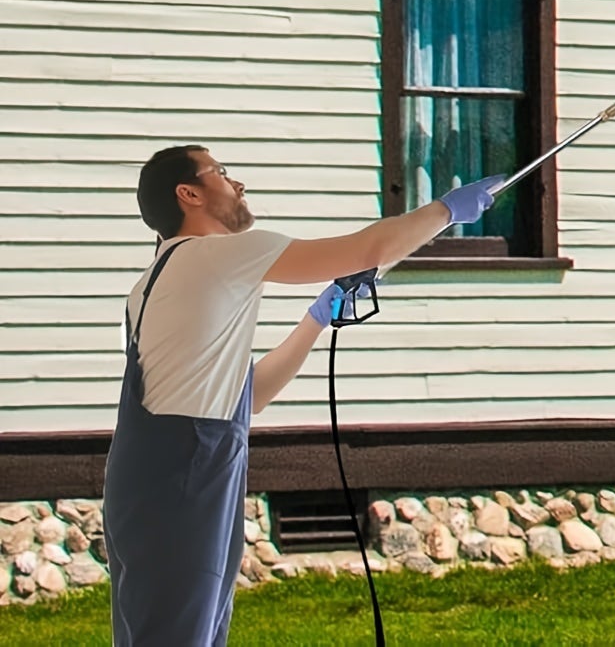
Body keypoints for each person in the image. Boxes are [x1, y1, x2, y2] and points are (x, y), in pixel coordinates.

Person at [102, 142, 501, 646]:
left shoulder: (155, 281)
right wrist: (445, 212)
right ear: (189, 194)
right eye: (221, 172)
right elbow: (370, 248)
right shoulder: (217, 255)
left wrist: (315, 319)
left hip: (159, 476)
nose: (238, 184)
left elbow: (248, 397)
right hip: (184, 478)